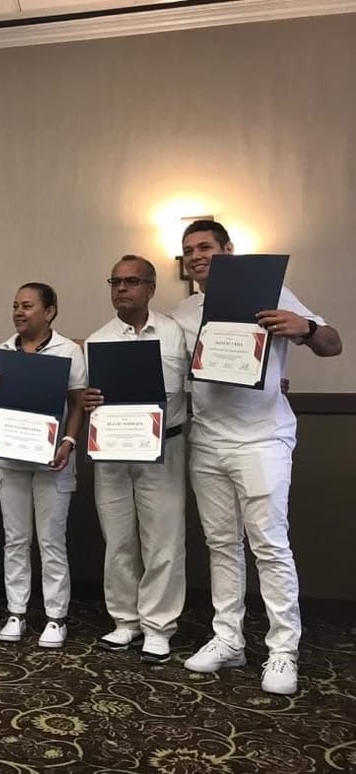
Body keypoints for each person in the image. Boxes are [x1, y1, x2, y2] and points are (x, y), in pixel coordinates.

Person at [171, 219, 342, 695]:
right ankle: (229, 639)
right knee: (221, 544)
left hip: (262, 439)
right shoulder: (183, 312)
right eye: (188, 249)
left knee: (269, 544)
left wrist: (306, 328)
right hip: (207, 440)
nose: (196, 255)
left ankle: (283, 651)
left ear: (228, 250)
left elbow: (333, 344)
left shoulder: (274, 292)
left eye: (205, 246)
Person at [83, 256, 188, 662]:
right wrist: (88, 400)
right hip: (112, 450)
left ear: (150, 288)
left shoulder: (175, 334)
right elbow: (87, 397)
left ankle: (158, 626)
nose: (122, 289)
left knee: (163, 540)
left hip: (163, 448)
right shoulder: (98, 340)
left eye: (131, 282)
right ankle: (125, 621)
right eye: (115, 282)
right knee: (119, 538)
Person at [0, 282, 86, 648]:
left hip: (52, 458)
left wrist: (69, 442)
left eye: (27, 306)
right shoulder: (1, 351)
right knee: (15, 539)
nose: (18, 312)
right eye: (14, 306)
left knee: (51, 541)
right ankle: (17, 611)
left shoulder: (69, 350)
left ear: (50, 311)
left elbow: (77, 402)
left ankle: (56, 617)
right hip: (10, 458)